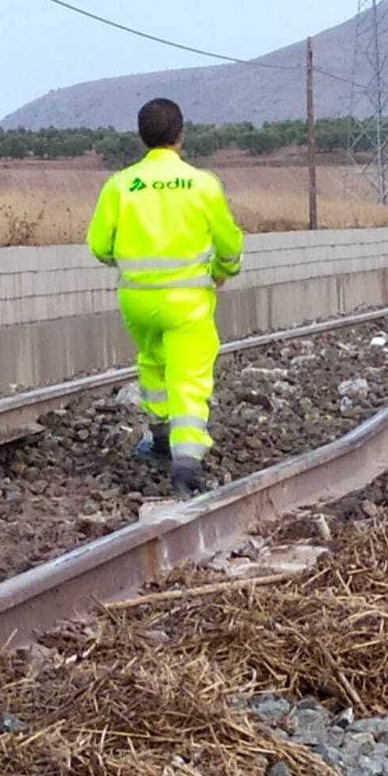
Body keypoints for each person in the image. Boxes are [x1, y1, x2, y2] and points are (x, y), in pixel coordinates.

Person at [87, 98, 243, 498]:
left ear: (142, 136)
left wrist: (131, 265)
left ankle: (159, 442)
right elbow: (228, 243)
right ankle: (186, 467)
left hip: (137, 300)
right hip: (187, 302)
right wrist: (223, 272)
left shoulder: (120, 184)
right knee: (188, 379)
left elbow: (99, 244)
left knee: (153, 367)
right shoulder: (202, 184)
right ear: (180, 135)